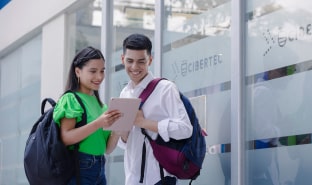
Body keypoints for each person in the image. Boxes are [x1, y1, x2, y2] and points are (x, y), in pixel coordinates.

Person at [117, 33, 193, 185]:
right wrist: (122, 133)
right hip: (132, 178)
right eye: (130, 61)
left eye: (141, 61)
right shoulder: (124, 93)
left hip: (159, 178)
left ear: (150, 60)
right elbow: (125, 144)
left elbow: (185, 129)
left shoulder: (165, 89)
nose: (134, 67)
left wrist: (144, 122)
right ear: (122, 59)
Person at [53, 46, 123, 185]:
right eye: (93, 71)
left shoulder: (102, 106)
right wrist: (99, 123)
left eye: (102, 71)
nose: (99, 77)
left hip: (100, 168)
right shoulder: (71, 99)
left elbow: (107, 149)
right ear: (78, 71)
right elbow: (66, 138)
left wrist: (118, 130)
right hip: (80, 167)